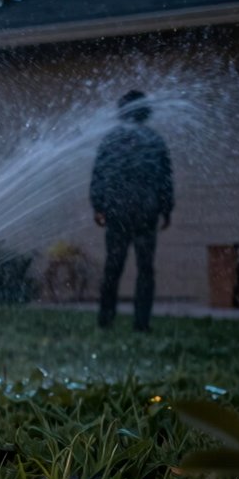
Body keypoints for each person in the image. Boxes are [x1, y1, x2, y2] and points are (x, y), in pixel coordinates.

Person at [90, 90, 174, 332]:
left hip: (117, 211)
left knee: (113, 267)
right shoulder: (154, 140)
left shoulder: (111, 139)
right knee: (145, 269)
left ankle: (105, 320)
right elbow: (165, 178)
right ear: (145, 111)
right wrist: (166, 208)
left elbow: (100, 175)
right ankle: (142, 323)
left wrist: (99, 206)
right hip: (146, 212)